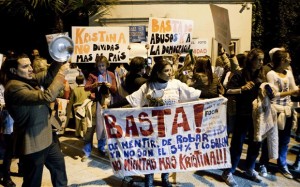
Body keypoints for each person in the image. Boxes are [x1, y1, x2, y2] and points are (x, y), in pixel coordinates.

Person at [109, 59, 202, 187]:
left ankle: (165, 179)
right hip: (151, 130)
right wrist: (111, 108)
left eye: (171, 70)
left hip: (170, 129)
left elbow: (195, 94)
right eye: (166, 71)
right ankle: (149, 180)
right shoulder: (147, 86)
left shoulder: (176, 84)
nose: (170, 73)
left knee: (168, 154)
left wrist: (216, 96)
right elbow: (131, 100)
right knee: (150, 155)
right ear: (158, 73)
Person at [0, 53, 69, 187]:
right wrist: (61, 74)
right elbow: (48, 96)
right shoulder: (13, 87)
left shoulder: (27, 78)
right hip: (33, 143)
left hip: (48, 137)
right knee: (32, 182)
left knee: (59, 170)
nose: (31, 68)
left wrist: (58, 59)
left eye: (30, 64)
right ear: (14, 70)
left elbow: (48, 75)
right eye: (25, 66)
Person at [221, 48, 266, 187]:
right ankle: (229, 172)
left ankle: (249, 168)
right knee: (237, 143)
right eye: (259, 59)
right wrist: (242, 89)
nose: (261, 62)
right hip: (242, 113)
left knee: (256, 142)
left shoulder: (261, 74)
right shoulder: (240, 74)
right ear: (251, 60)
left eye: (262, 60)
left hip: (257, 113)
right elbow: (227, 90)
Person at [258, 49, 300, 179]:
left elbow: (295, 90)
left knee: (285, 140)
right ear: (282, 60)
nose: (290, 60)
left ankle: (282, 165)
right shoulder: (271, 74)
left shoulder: (289, 73)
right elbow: (274, 95)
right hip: (274, 111)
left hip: (287, 111)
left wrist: (296, 91)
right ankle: (263, 163)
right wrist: (292, 92)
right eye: (288, 58)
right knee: (269, 138)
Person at [82, 55, 117, 160]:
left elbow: (115, 90)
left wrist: (110, 86)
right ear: (96, 66)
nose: (101, 68)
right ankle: (86, 151)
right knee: (90, 128)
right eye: (99, 66)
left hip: (107, 104)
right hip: (95, 104)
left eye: (103, 65)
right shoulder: (93, 75)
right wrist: (94, 85)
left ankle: (101, 148)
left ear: (107, 65)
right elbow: (86, 88)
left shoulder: (111, 74)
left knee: (104, 128)